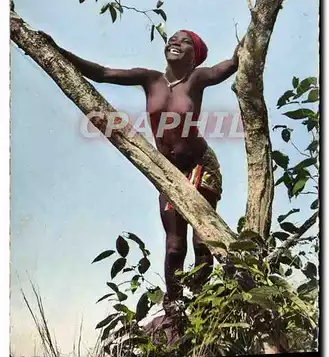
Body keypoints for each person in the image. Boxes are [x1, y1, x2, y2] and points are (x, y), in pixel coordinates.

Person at [41, 29, 242, 321]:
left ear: (194, 57)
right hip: (168, 172)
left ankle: (202, 304)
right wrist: (58, 49)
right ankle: (174, 309)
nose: (175, 42)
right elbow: (102, 73)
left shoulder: (197, 78)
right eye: (173, 38)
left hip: (200, 165)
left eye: (185, 42)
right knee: (175, 246)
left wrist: (250, 34)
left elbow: (228, 66)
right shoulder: (150, 79)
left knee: (202, 242)